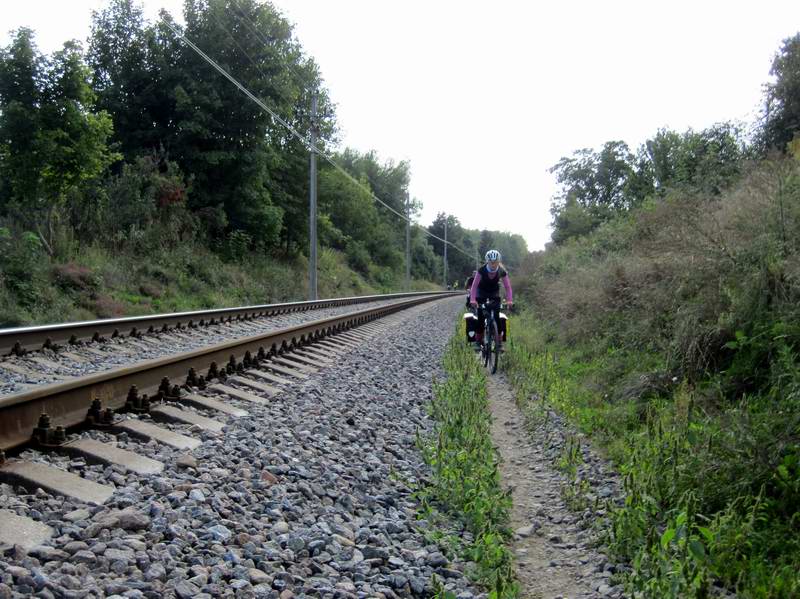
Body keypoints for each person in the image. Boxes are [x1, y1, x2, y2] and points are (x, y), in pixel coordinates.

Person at [469, 249, 513, 350]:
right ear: (487, 261)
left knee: (497, 318)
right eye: (491, 262)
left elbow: (508, 287)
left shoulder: (502, 271)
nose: (493, 264)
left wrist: (509, 300)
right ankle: (478, 342)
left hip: (494, 293)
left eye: (496, 262)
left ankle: (499, 344)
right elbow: (474, 286)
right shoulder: (481, 270)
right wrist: (473, 300)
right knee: (480, 318)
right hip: (481, 293)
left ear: (499, 262)